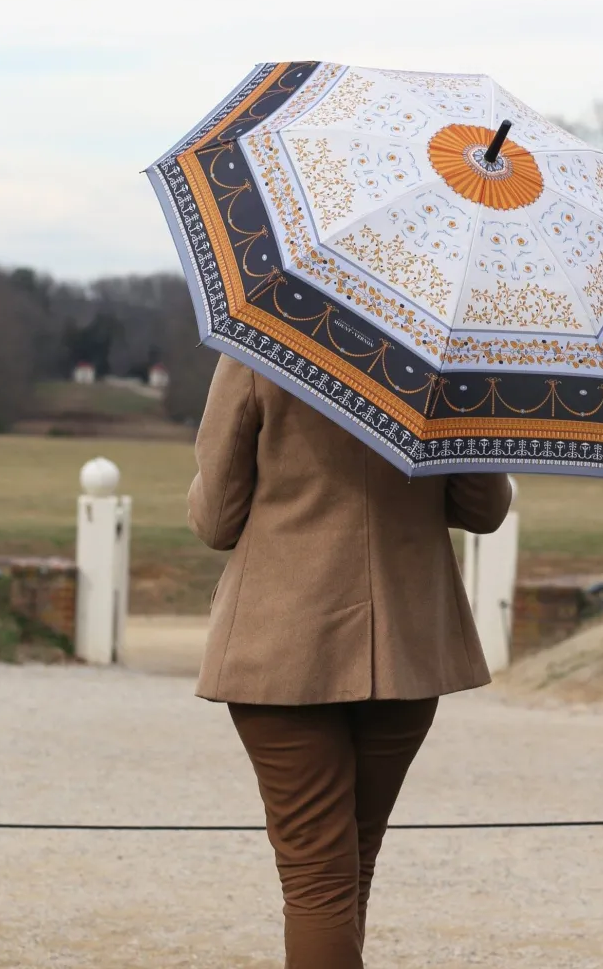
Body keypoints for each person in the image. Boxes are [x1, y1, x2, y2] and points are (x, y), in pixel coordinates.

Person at [187, 355, 514, 969]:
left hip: (282, 643)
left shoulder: (263, 347)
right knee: (349, 867)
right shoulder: (454, 359)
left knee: (318, 879)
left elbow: (216, 519)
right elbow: (483, 509)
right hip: (406, 640)